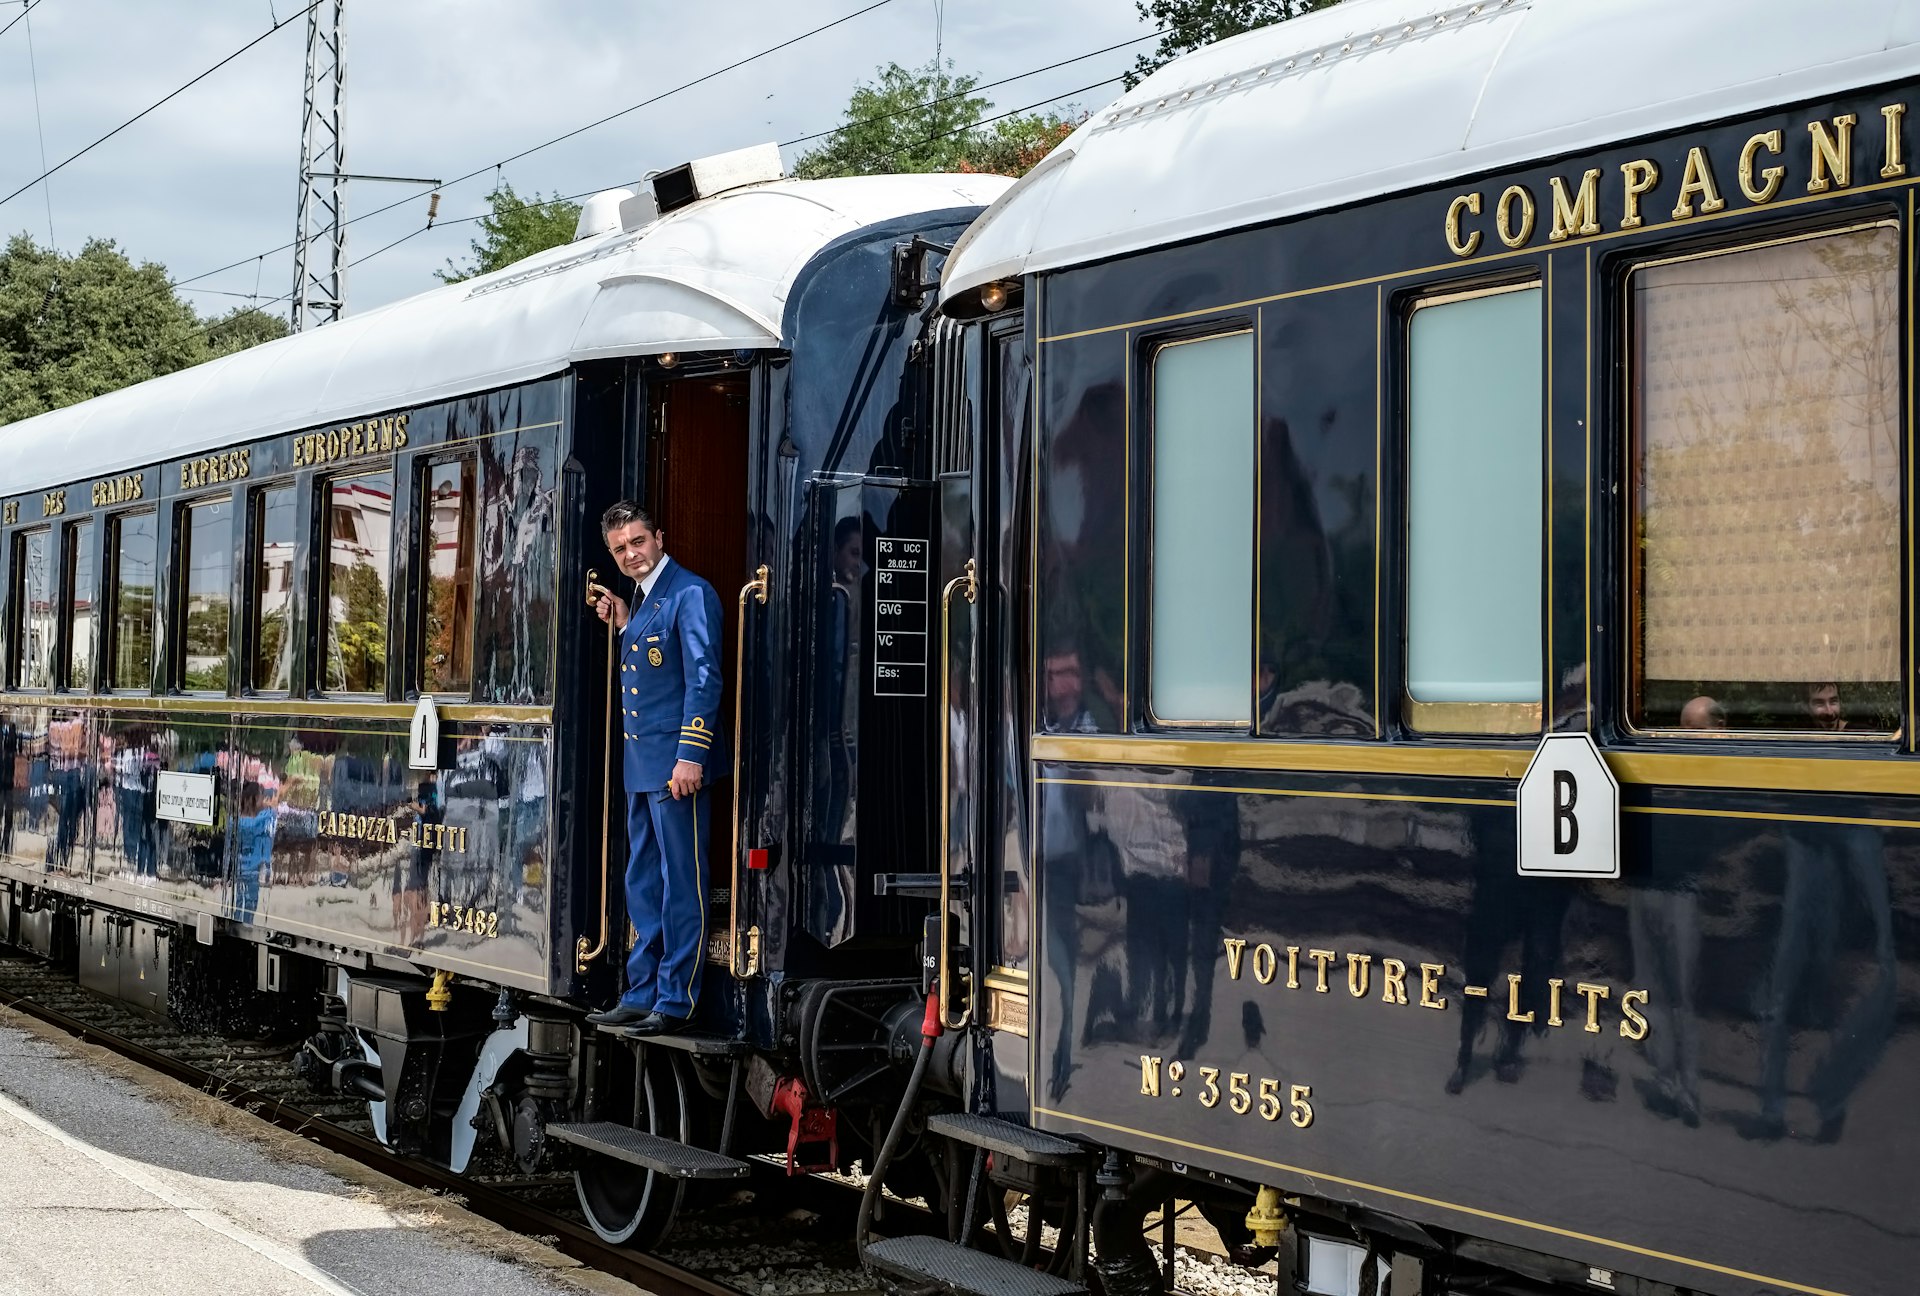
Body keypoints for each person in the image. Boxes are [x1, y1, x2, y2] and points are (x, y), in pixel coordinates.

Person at [585, 501, 725, 1035]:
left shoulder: (690, 592)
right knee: (642, 881)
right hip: (642, 767)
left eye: (638, 542)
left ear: (659, 538)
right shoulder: (644, 600)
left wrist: (692, 753)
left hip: (674, 767)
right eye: (620, 548)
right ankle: (641, 990)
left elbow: (704, 677)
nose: (631, 554)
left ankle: (674, 999)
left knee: (680, 883)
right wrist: (626, 621)